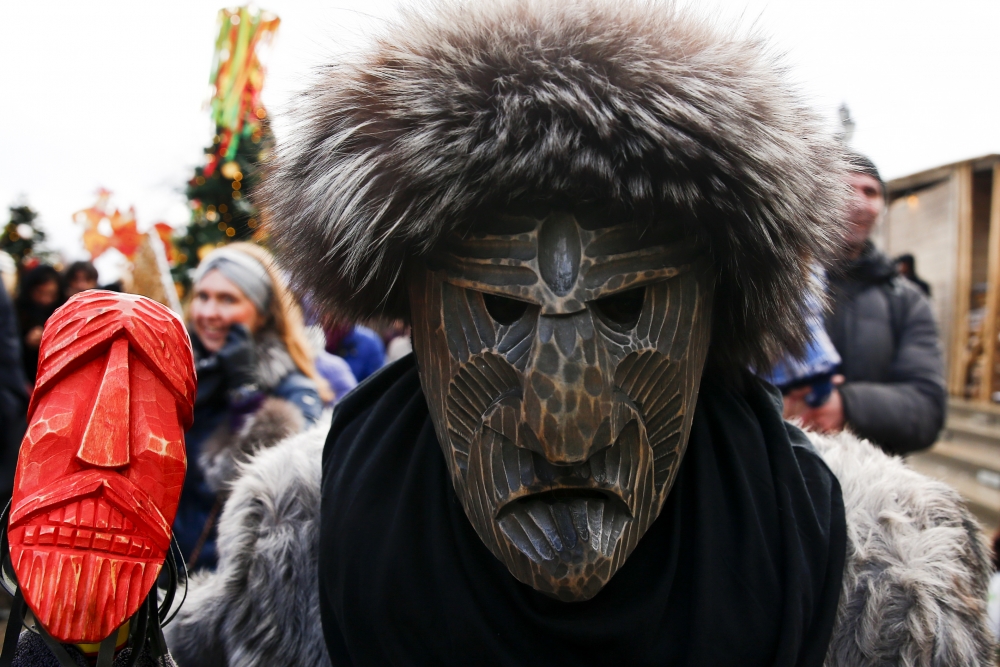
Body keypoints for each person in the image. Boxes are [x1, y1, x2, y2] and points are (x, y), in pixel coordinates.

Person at [165, 4, 992, 666]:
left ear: (713, 320)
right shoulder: (298, 545)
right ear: (412, 310)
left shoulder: (871, 578)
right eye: (498, 310)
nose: (564, 428)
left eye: (629, 308)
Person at [172, 242, 329, 571]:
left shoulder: (294, 389)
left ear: (261, 310)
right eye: (203, 296)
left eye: (228, 299)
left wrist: (247, 395)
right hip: (163, 572)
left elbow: (285, 501)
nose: (209, 312)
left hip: (227, 582)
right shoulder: (184, 374)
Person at [785, 154, 947, 455]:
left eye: (870, 191)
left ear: (882, 207)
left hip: (873, 482)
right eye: (846, 189)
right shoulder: (782, 284)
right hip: (780, 469)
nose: (858, 202)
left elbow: (927, 409)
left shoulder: (908, 300)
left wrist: (845, 405)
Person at [14, 264, 63, 385]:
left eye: (51, 294)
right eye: (40, 292)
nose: (45, 299)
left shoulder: (62, 310)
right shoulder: (18, 310)